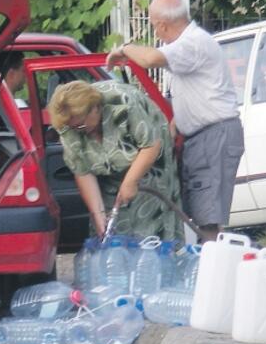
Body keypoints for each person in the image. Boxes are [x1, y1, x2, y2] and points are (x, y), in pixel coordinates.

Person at [105, 0, 243, 240]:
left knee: (207, 218)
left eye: (154, 27)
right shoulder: (190, 46)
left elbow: (149, 59)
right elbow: (193, 96)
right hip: (203, 136)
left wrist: (124, 49)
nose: (156, 33)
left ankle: (210, 260)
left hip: (213, 136)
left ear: (162, 25)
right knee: (198, 213)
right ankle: (204, 257)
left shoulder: (193, 43)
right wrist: (171, 132)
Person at [48, 79, 184, 242]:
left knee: (150, 227)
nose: (78, 131)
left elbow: (151, 146)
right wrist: (98, 213)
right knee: (109, 228)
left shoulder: (124, 103)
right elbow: (82, 170)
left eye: (81, 126)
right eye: (73, 128)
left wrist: (130, 182)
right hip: (109, 178)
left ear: (95, 108)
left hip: (151, 166)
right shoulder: (69, 126)